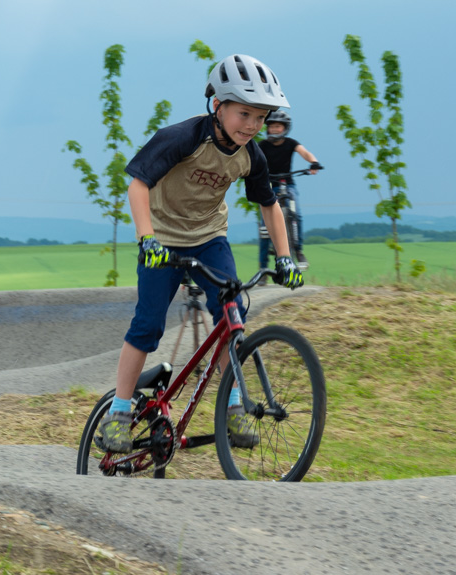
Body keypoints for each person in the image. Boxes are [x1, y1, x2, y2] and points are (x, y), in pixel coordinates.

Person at [99, 54, 304, 453]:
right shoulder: (183, 137)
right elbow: (138, 186)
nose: (252, 125)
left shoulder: (251, 155)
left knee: (232, 316)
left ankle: (233, 407)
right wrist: (147, 239)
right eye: (244, 113)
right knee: (148, 325)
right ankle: (119, 413)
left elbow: (270, 204)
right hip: (161, 237)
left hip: (209, 237)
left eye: (261, 117)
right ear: (218, 106)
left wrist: (285, 257)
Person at [257, 110, 322, 274]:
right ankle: (263, 267)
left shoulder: (291, 143)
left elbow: (304, 152)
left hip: (288, 184)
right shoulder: (263, 145)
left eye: (277, 126)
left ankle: (298, 250)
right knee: (264, 228)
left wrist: (313, 162)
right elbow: (253, 158)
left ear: (285, 128)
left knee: (297, 214)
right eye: (271, 126)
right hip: (269, 185)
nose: (274, 129)